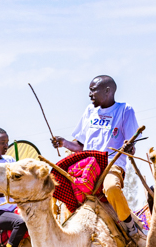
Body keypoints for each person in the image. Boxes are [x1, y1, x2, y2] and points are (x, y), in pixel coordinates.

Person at [51, 75, 139, 231]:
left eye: (93, 91)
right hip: (86, 165)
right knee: (56, 184)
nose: (89, 95)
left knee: (111, 187)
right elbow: (80, 146)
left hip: (111, 164)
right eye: (89, 91)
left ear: (107, 91)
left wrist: (128, 147)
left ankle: (130, 226)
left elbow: (131, 147)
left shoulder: (125, 110)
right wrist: (63, 142)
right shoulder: (89, 111)